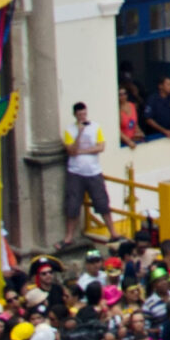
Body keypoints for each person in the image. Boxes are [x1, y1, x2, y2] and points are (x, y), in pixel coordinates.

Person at [63, 101, 112, 241]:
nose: (83, 117)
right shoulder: (69, 130)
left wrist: (82, 151)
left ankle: (113, 232)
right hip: (75, 172)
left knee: (102, 203)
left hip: (93, 171)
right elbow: (71, 151)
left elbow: (100, 147)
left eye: (84, 113)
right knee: (72, 205)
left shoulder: (96, 127)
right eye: (80, 114)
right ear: (75, 115)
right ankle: (69, 236)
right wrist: (79, 134)